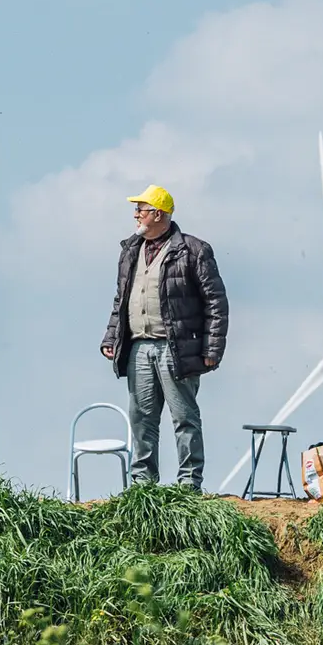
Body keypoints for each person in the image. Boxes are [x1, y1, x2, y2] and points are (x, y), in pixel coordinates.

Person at [100, 184, 228, 492]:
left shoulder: (194, 250)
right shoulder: (130, 249)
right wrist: (112, 336)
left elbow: (216, 302)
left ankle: (189, 485)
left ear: (158, 214)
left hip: (176, 347)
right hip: (138, 347)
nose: (135, 215)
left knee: (184, 418)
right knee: (141, 418)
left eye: (141, 210)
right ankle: (143, 485)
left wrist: (212, 348)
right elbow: (121, 299)